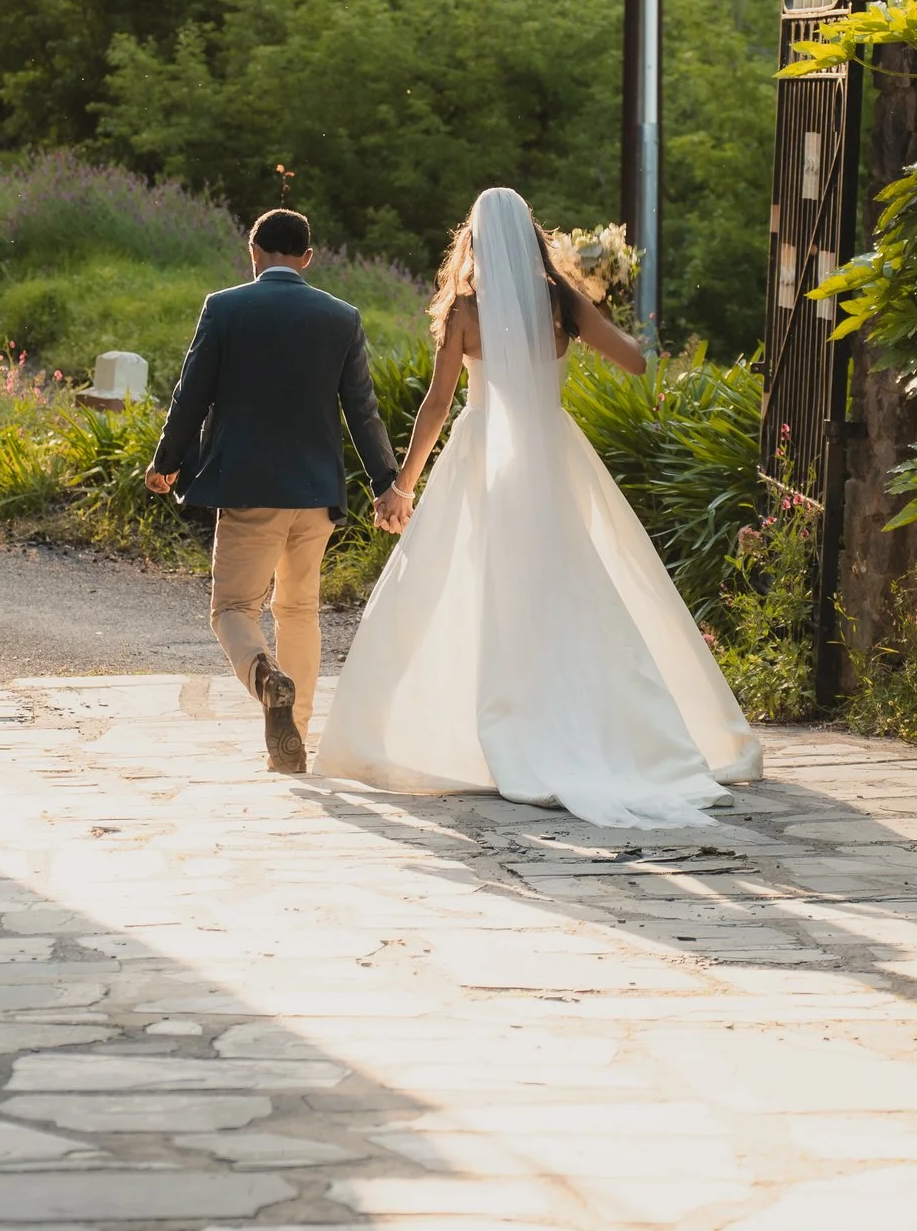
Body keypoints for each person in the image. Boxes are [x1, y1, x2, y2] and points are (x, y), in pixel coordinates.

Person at [316, 184, 761, 826]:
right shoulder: (563, 302)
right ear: (532, 237)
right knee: (575, 589)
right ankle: (599, 728)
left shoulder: (464, 309)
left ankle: (500, 735)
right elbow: (635, 363)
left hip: (484, 460)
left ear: (471, 239)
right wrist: (589, 316)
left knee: (474, 589)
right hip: (553, 456)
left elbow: (438, 404)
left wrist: (403, 485)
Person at [147, 207, 409, 774]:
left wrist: (165, 462)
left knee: (233, 609)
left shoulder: (226, 308)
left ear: (254, 252)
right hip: (317, 492)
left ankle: (267, 683)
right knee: (298, 611)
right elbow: (362, 411)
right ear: (308, 258)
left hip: (248, 489)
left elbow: (191, 395)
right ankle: (299, 738)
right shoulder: (342, 317)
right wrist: (387, 481)